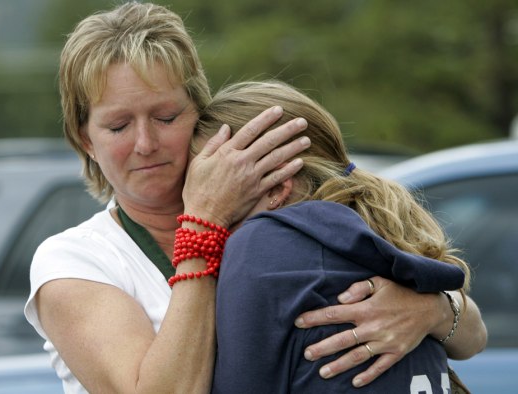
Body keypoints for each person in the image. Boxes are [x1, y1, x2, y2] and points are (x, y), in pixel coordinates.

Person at [23, 2, 486, 393]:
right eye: (119, 126)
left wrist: (428, 310)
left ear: (200, 114)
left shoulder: (271, 212)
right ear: (85, 139)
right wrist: (203, 223)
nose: (145, 143)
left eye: (165, 117)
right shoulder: (74, 261)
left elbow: (474, 335)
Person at [192, 80, 477, 393]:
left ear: (277, 187)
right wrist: (438, 311)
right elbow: (475, 334)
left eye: (212, 180)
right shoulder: (371, 229)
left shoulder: (261, 244)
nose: (196, 199)